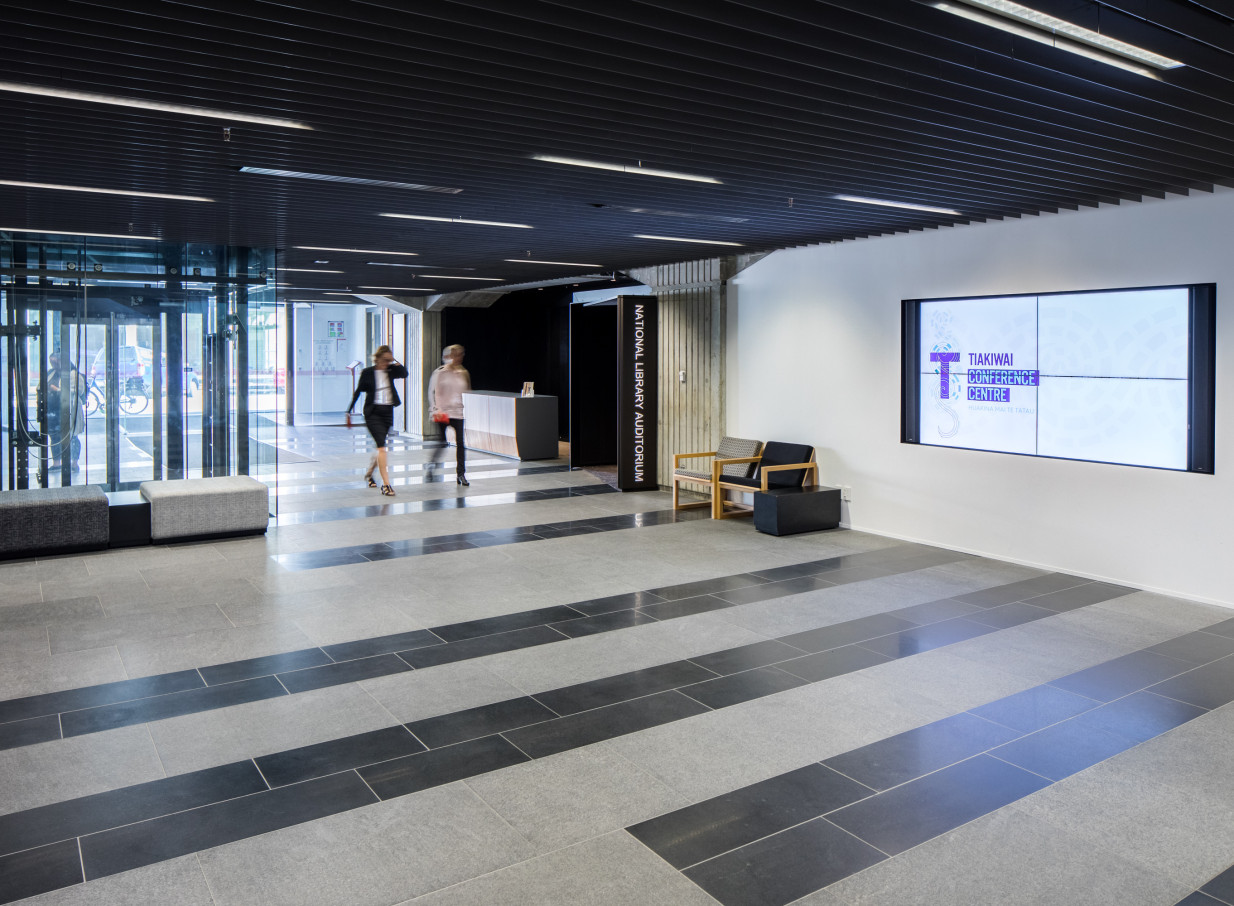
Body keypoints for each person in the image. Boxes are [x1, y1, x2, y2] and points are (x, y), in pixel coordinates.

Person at [345, 345, 408, 496]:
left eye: (389, 360)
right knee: (381, 446)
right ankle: (386, 484)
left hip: (387, 411)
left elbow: (404, 373)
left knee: (381, 447)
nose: (387, 363)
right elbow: (358, 391)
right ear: (378, 358)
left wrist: (395, 360)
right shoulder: (367, 373)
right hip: (373, 413)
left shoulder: (391, 370)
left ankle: (369, 473)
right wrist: (349, 411)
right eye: (385, 360)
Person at [427, 344, 471, 486]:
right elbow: (432, 392)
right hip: (442, 412)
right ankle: (432, 465)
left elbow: (467, 391)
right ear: (448, 356)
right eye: (455, 354)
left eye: (460, 354)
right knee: (442, 442)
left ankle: (461, 474)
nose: (458, 357)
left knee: (460, 444)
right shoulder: (440, 372)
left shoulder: (463, 372)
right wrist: (435, 409)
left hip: (458, 412)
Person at [42, 352, 87, 473]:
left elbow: (77, 391)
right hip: (53, 411)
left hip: (69, 409)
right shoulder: (51, 373)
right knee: (55, 437)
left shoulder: (73, 374)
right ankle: (57, 463)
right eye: (52, 362)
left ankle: (73, 463)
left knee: (72, 436)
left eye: (56, 362)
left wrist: (55, 389)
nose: (54, 365)